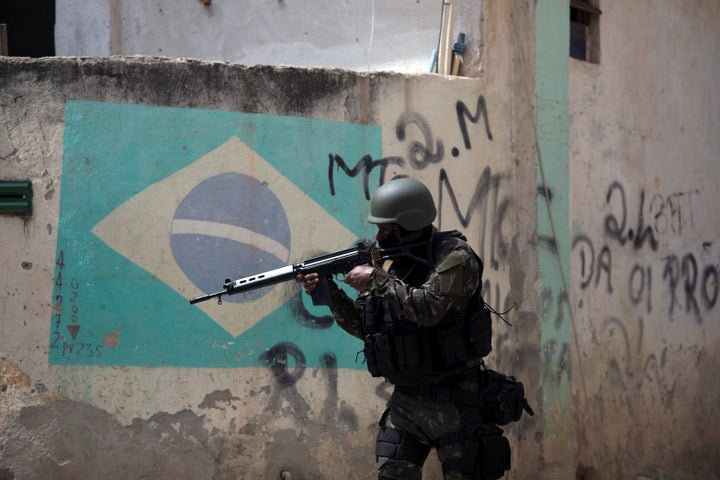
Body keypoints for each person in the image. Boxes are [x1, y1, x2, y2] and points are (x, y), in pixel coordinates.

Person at [296, 177, 530, 480]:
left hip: (456, 400)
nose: (379, 237)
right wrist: (328, 293)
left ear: (410, 224)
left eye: (386, 229)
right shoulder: (393, 265)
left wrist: (377, 279)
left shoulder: (455, 257)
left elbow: (429, 309)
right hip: (407, 403)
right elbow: (369, 328)